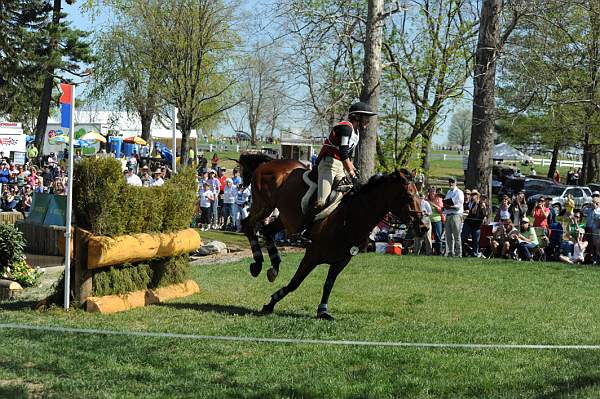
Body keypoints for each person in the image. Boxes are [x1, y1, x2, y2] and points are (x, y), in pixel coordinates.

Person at [297, 101, 377, 240]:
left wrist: (353, 171)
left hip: (340, 166)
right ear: (357, 117)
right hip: (328, 164)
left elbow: (347, 158)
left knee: (351, 195)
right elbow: (343, 153)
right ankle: (303, 229)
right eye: (366, 117)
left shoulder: (356, 133)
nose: (368, 121)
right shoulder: (346, 128)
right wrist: (351, 173)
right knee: (323, 200)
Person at [461, 190, 488, 257]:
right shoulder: (474, 203)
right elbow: (473, 212)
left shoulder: (485, 206)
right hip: (468, 223)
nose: (483, 199)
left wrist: (483, 207)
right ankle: (461, 251)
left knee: (476, 241)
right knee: (463, 238)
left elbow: (485, 215)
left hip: (477, 226)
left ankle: (475, 253)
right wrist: (477, 204)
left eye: (484, 198)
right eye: (482, 198)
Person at [443, 176, 464, 257]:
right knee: (448, 235)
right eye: (450, 182)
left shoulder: (459, 192)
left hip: (456, 215)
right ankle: (450, 252)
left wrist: (450, 207)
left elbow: (459, 205)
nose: (451, 183)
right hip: (448, 215)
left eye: (452, 182)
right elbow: (446, 202)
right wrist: (444, 206)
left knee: (456, 235)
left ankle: (458, 253)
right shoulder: (448, 192)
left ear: (456, 183)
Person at [427, 188, 444, 255]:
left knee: (438, 236)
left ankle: (439, 252)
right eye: (431, 192)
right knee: (428, 237)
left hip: (437, 220)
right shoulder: (426, 199)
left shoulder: (438, 199)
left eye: (433, 192)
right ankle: (428, 251)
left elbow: (441, 209)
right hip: (428, 220)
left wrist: (432, 204)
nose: (432, 194)